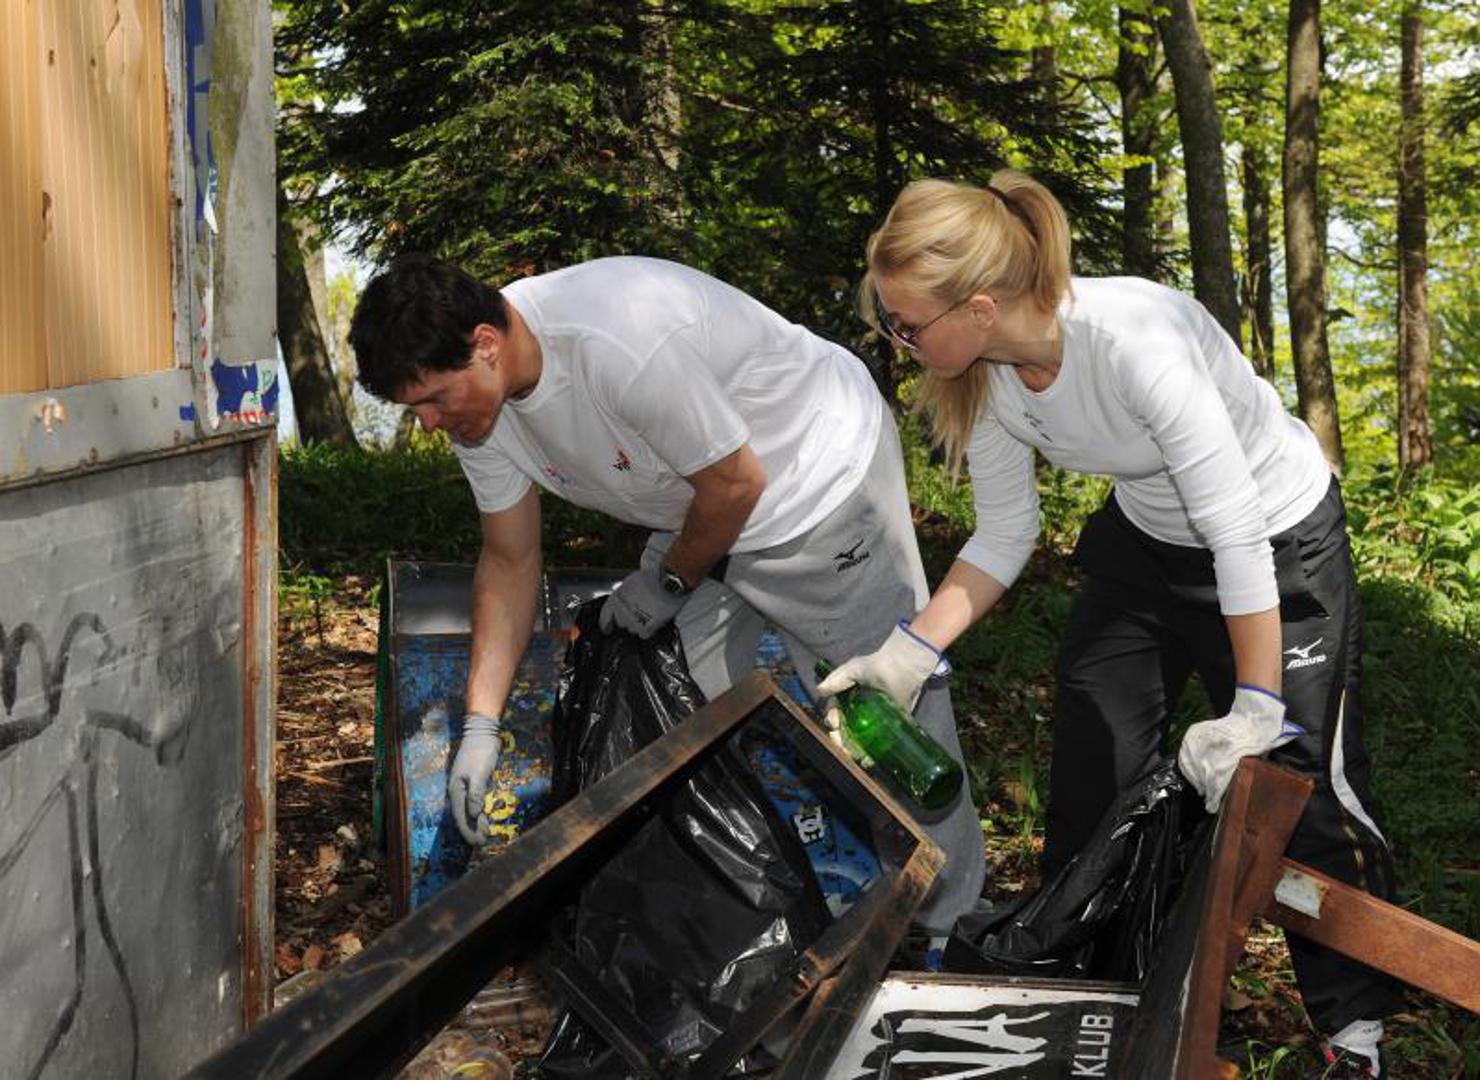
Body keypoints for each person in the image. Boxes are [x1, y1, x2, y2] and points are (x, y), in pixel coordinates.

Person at [818, 173, 1399, 1077]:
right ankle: (1089, 983)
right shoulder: (991, 375)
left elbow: (1235, 529)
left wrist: (1255, 704)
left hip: (1277, 539)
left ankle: (1355, 1033)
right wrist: (907, 652)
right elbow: (1005, 533)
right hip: (1149, 545)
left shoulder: (1133, 343)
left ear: (978, 307)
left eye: (907, 325)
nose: (900, 342)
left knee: (1302, 783)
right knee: (1095, 742)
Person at [348, 253, 986, 938]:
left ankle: (946, 931)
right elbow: (510, 559)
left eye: (434, 400)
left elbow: (737, 483)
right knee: (663, 703)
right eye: (415, 409)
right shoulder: (482, 409)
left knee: (888, 720)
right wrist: (480, 725)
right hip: (701, 511)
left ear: (485, 344)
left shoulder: (617, 343)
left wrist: (669, 582)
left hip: (815, 484)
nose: (430, 424)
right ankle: (735, 925)